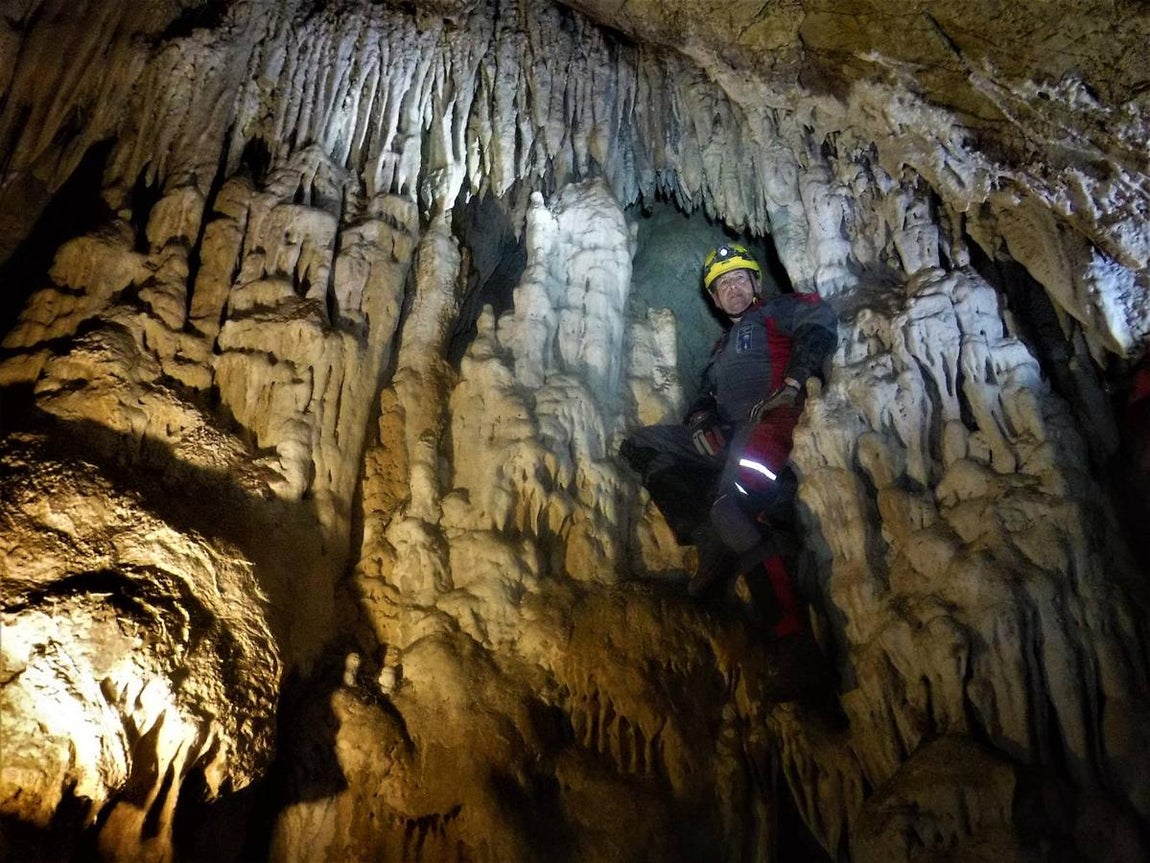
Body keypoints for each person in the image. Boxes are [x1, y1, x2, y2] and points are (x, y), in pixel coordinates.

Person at [621, 242, 837, 638]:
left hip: (770, 420)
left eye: (740, 278)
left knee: (733, 507)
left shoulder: (776, 312)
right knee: (642, 444)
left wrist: (793, 381)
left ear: (755, 283)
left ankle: (793, 638)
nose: (733, 288)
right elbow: (704, 396)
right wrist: (701, 419)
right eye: (723, 285)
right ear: (716, 300)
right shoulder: (719, 351)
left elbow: (818, 320)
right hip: (729, 434)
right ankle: (705, 531)